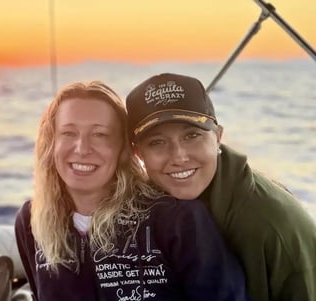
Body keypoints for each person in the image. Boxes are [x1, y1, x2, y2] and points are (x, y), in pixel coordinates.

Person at [14, 81, 248, 300]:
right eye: (68, 133)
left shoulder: (177, 220)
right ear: (50, 142)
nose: (82, 148)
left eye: (100, 135)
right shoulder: (31, 221)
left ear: (123, 149)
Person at [126, 72, 316, 301]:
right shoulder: (142, 211)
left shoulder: (271, 225)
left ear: (217, 136)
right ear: (138, 153)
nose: (178, 157)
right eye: (157, 142)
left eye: (192, 135)